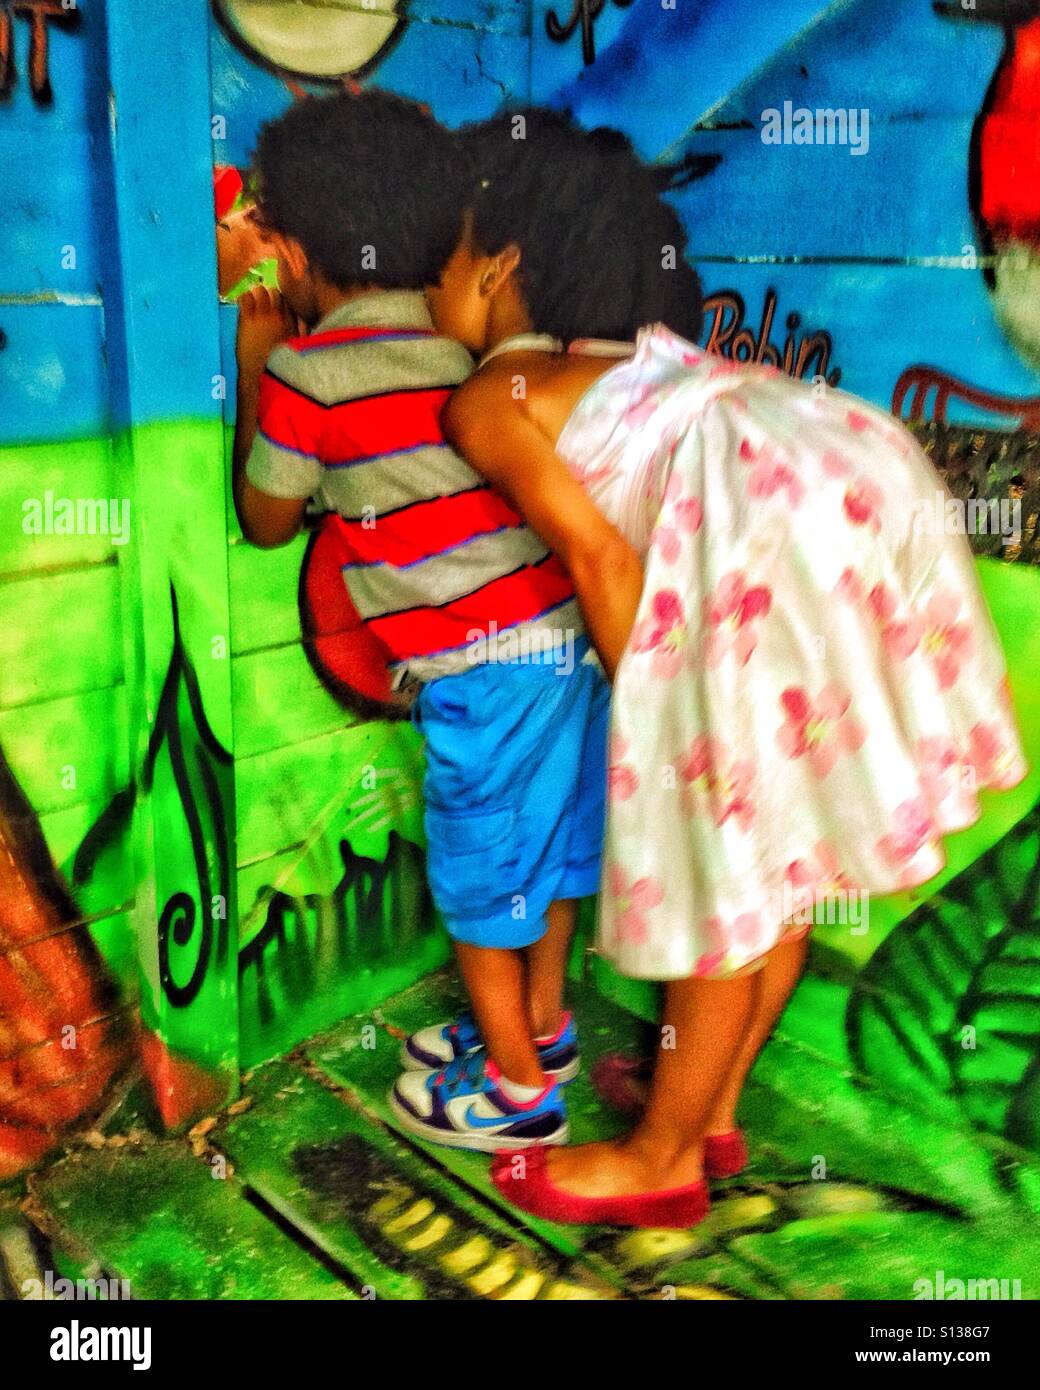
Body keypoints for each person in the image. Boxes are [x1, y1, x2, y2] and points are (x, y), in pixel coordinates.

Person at [427, 108, 1028, 1226]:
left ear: (501, 268)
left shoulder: (490, 398)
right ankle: (705, 1108)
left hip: (757, 511)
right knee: (777, 861)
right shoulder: (643, 363)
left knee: (711, 866)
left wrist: (654, 728)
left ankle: (658, 1160)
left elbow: (598, 553)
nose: (428, 293)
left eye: (442, 266)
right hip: (841, 455)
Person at [232, 90, 614, 1153]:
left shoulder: (311, 375)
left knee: (482, 877)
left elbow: (268, 520)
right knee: (552, 855)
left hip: (482, 674)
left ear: (297, 252)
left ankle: (519, 1089)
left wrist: (260, 362)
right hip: (569, 642)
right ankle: (542, 1025)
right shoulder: (469, 344)